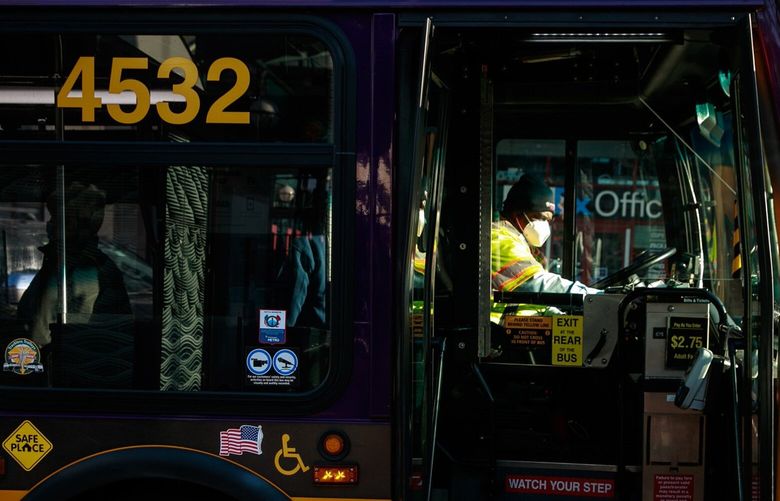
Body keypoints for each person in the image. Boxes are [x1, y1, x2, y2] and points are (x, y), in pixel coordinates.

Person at [17, 182, 132, 347]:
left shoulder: (89, 270)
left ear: (72, 224)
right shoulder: (57, 264)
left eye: (56, 218)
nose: (49, 224)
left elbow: (78, 334)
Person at [492, 174, 599, 295]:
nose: (544, 225)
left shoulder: (523, 244)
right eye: (538, 217)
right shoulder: (499, 238)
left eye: (548, 220)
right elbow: (539, 284)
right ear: (517, 214)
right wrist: (594, 296)